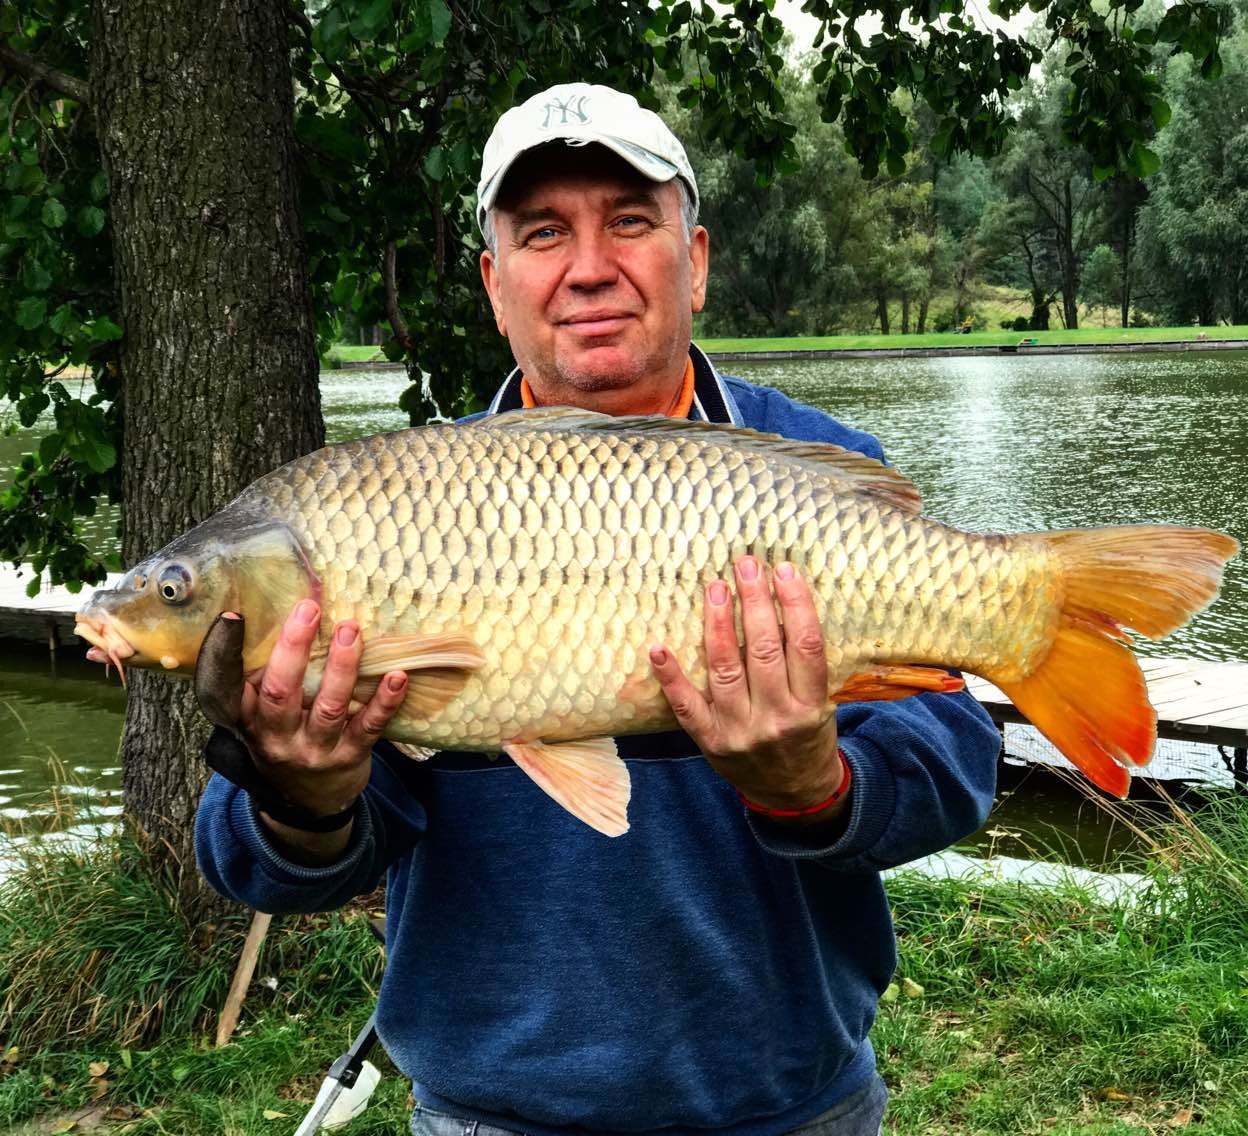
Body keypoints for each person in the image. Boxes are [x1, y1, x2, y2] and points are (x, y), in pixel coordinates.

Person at [193, 83, 1001, 1136]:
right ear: (493, 284)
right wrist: (304, 796)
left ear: (695, 258)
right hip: (491, 1111)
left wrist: (818, 785)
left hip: (789, 1103)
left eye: (628, 220)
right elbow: (253, 857)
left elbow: (954, 757)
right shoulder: (385, 512)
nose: (586, 266)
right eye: (541, 232)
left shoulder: (812, 474)